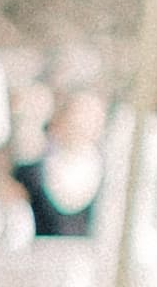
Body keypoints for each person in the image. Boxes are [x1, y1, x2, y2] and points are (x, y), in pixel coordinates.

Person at [13, 66, 105, 239]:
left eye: (90, 116)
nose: (81, 124)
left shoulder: (112, 176)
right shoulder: (29, 175)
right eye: (76, 115)